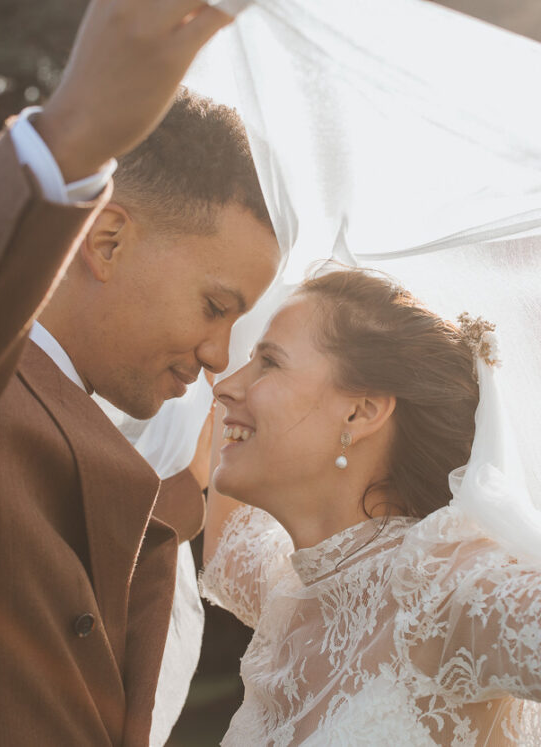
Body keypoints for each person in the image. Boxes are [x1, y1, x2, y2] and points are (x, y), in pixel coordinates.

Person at [0, 1, 280, 744]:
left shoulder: (154, 487)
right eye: (214, 306)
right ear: (107, 240)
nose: (218, 358)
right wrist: (70, 139)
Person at [202, 267, 541, 746]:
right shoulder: (289, 590)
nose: (225, 386)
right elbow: (224, 555)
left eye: (269, 363)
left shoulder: (446, 585)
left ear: (360, 413)